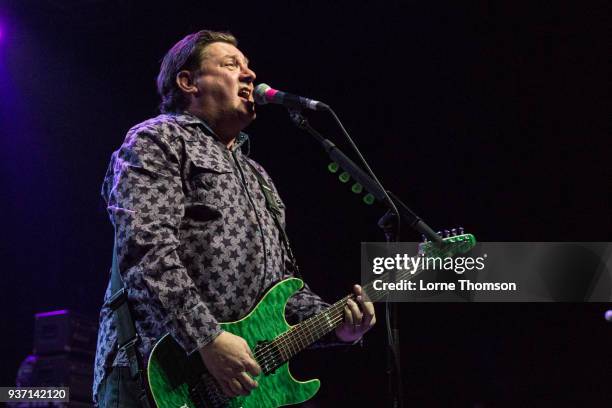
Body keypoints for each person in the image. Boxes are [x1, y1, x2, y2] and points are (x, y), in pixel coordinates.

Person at [93, 30, 376, 407]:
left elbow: (284, 289)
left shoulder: (259, 177)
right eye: (231, 65)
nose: (250, 75)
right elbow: (145, 250)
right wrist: (206, 338)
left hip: (238, 390)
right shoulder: (157, 139)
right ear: (188, 82)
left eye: (248, 67)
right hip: (156, 375)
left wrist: (340, 324)